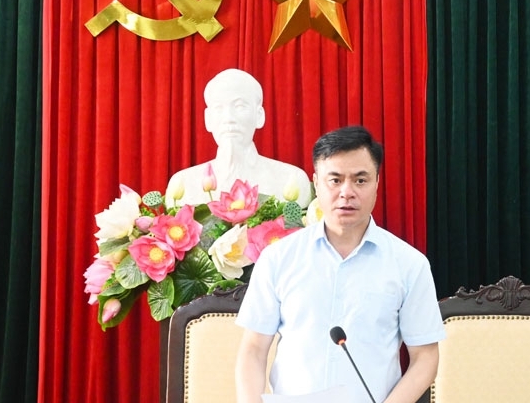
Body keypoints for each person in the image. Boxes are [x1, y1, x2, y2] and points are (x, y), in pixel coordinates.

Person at [234, 125, 445, 403]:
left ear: (377, 183)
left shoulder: (409, 264)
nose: (347, 192)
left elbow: (425, 357)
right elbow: (253, 349)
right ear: (316, 183)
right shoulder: (278, 258)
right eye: (335, 180)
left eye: (360, 180)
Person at [165, 68, 313, 209]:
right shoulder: (184, 184)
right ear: (208, 119)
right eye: (219, 108)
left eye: (240, 106)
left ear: (259, 116)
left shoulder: (291, 180)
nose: (229, 118)